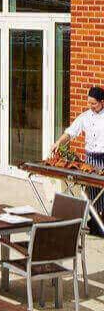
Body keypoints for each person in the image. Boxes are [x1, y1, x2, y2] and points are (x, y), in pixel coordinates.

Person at [52, 86, 104, 237]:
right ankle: (95, 223)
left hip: (103, 158)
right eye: (89, 103)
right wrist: (58, 143)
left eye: (94, 103)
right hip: (90, 159)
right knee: (91, 194)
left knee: (103, 194)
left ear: (102, 102)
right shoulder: (85, 116)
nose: (91, 106)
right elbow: (71, 132)